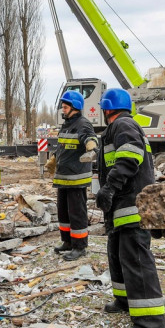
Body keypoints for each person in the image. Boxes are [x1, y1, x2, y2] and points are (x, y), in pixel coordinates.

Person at [95, 88, 165, 328]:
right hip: (122, 207)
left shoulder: (123, 125)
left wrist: (109, 187)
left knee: (136, 260)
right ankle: (125, 300)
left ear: (107, 108)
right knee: (118, 255)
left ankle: (151, 323)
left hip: (131, 206)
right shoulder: (119, 127)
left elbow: (129, 157)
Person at [52, 90, 98, 261]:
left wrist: (91, 146)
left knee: (77, 214)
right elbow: (62, 147)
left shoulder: (83, 124)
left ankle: (80, 246)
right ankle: (68, 242)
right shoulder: (67, 125)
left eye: (65, 107)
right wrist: (54, 159)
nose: (63, 110)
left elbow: (90, 138)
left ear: (75, 107)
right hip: (63, 177)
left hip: (76, 179)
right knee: (63, 213)